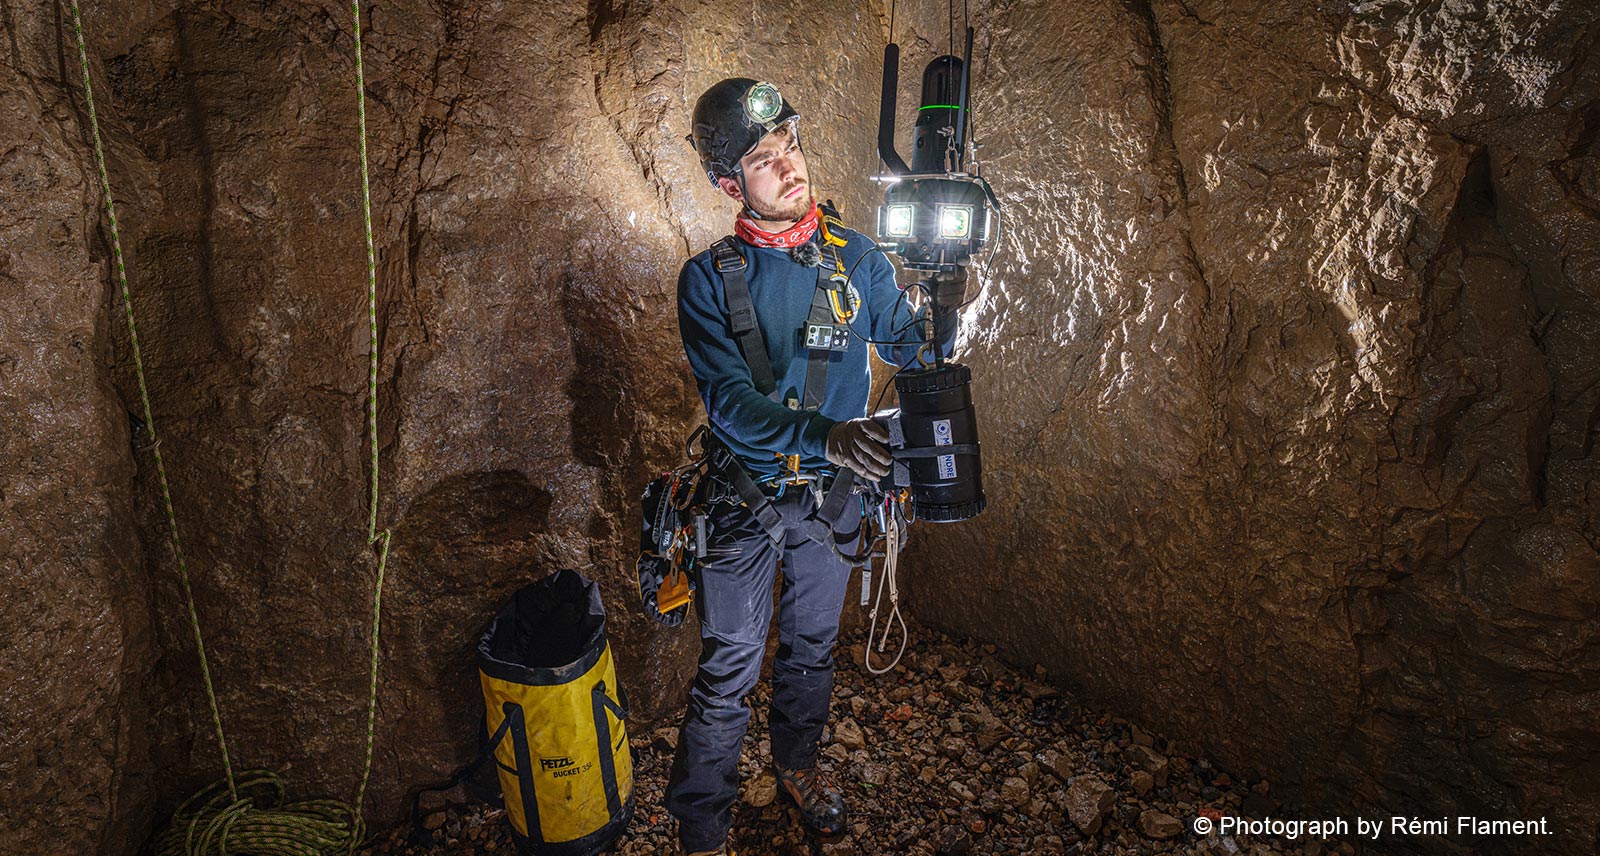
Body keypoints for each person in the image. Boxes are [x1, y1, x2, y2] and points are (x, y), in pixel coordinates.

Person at [664, 78, 967, 856]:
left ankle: (796, 767)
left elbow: (913, 351)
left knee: (809, 648)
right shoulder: (708, 280)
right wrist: (827, 436)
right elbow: (730, 405)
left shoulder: (855, 257)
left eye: (789, 145)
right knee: (730, 664)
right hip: (744, 500)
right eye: (764, 159)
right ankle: (702, 827)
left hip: (833, 503)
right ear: (730, 185)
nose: (788, 165)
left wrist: (944, 307)